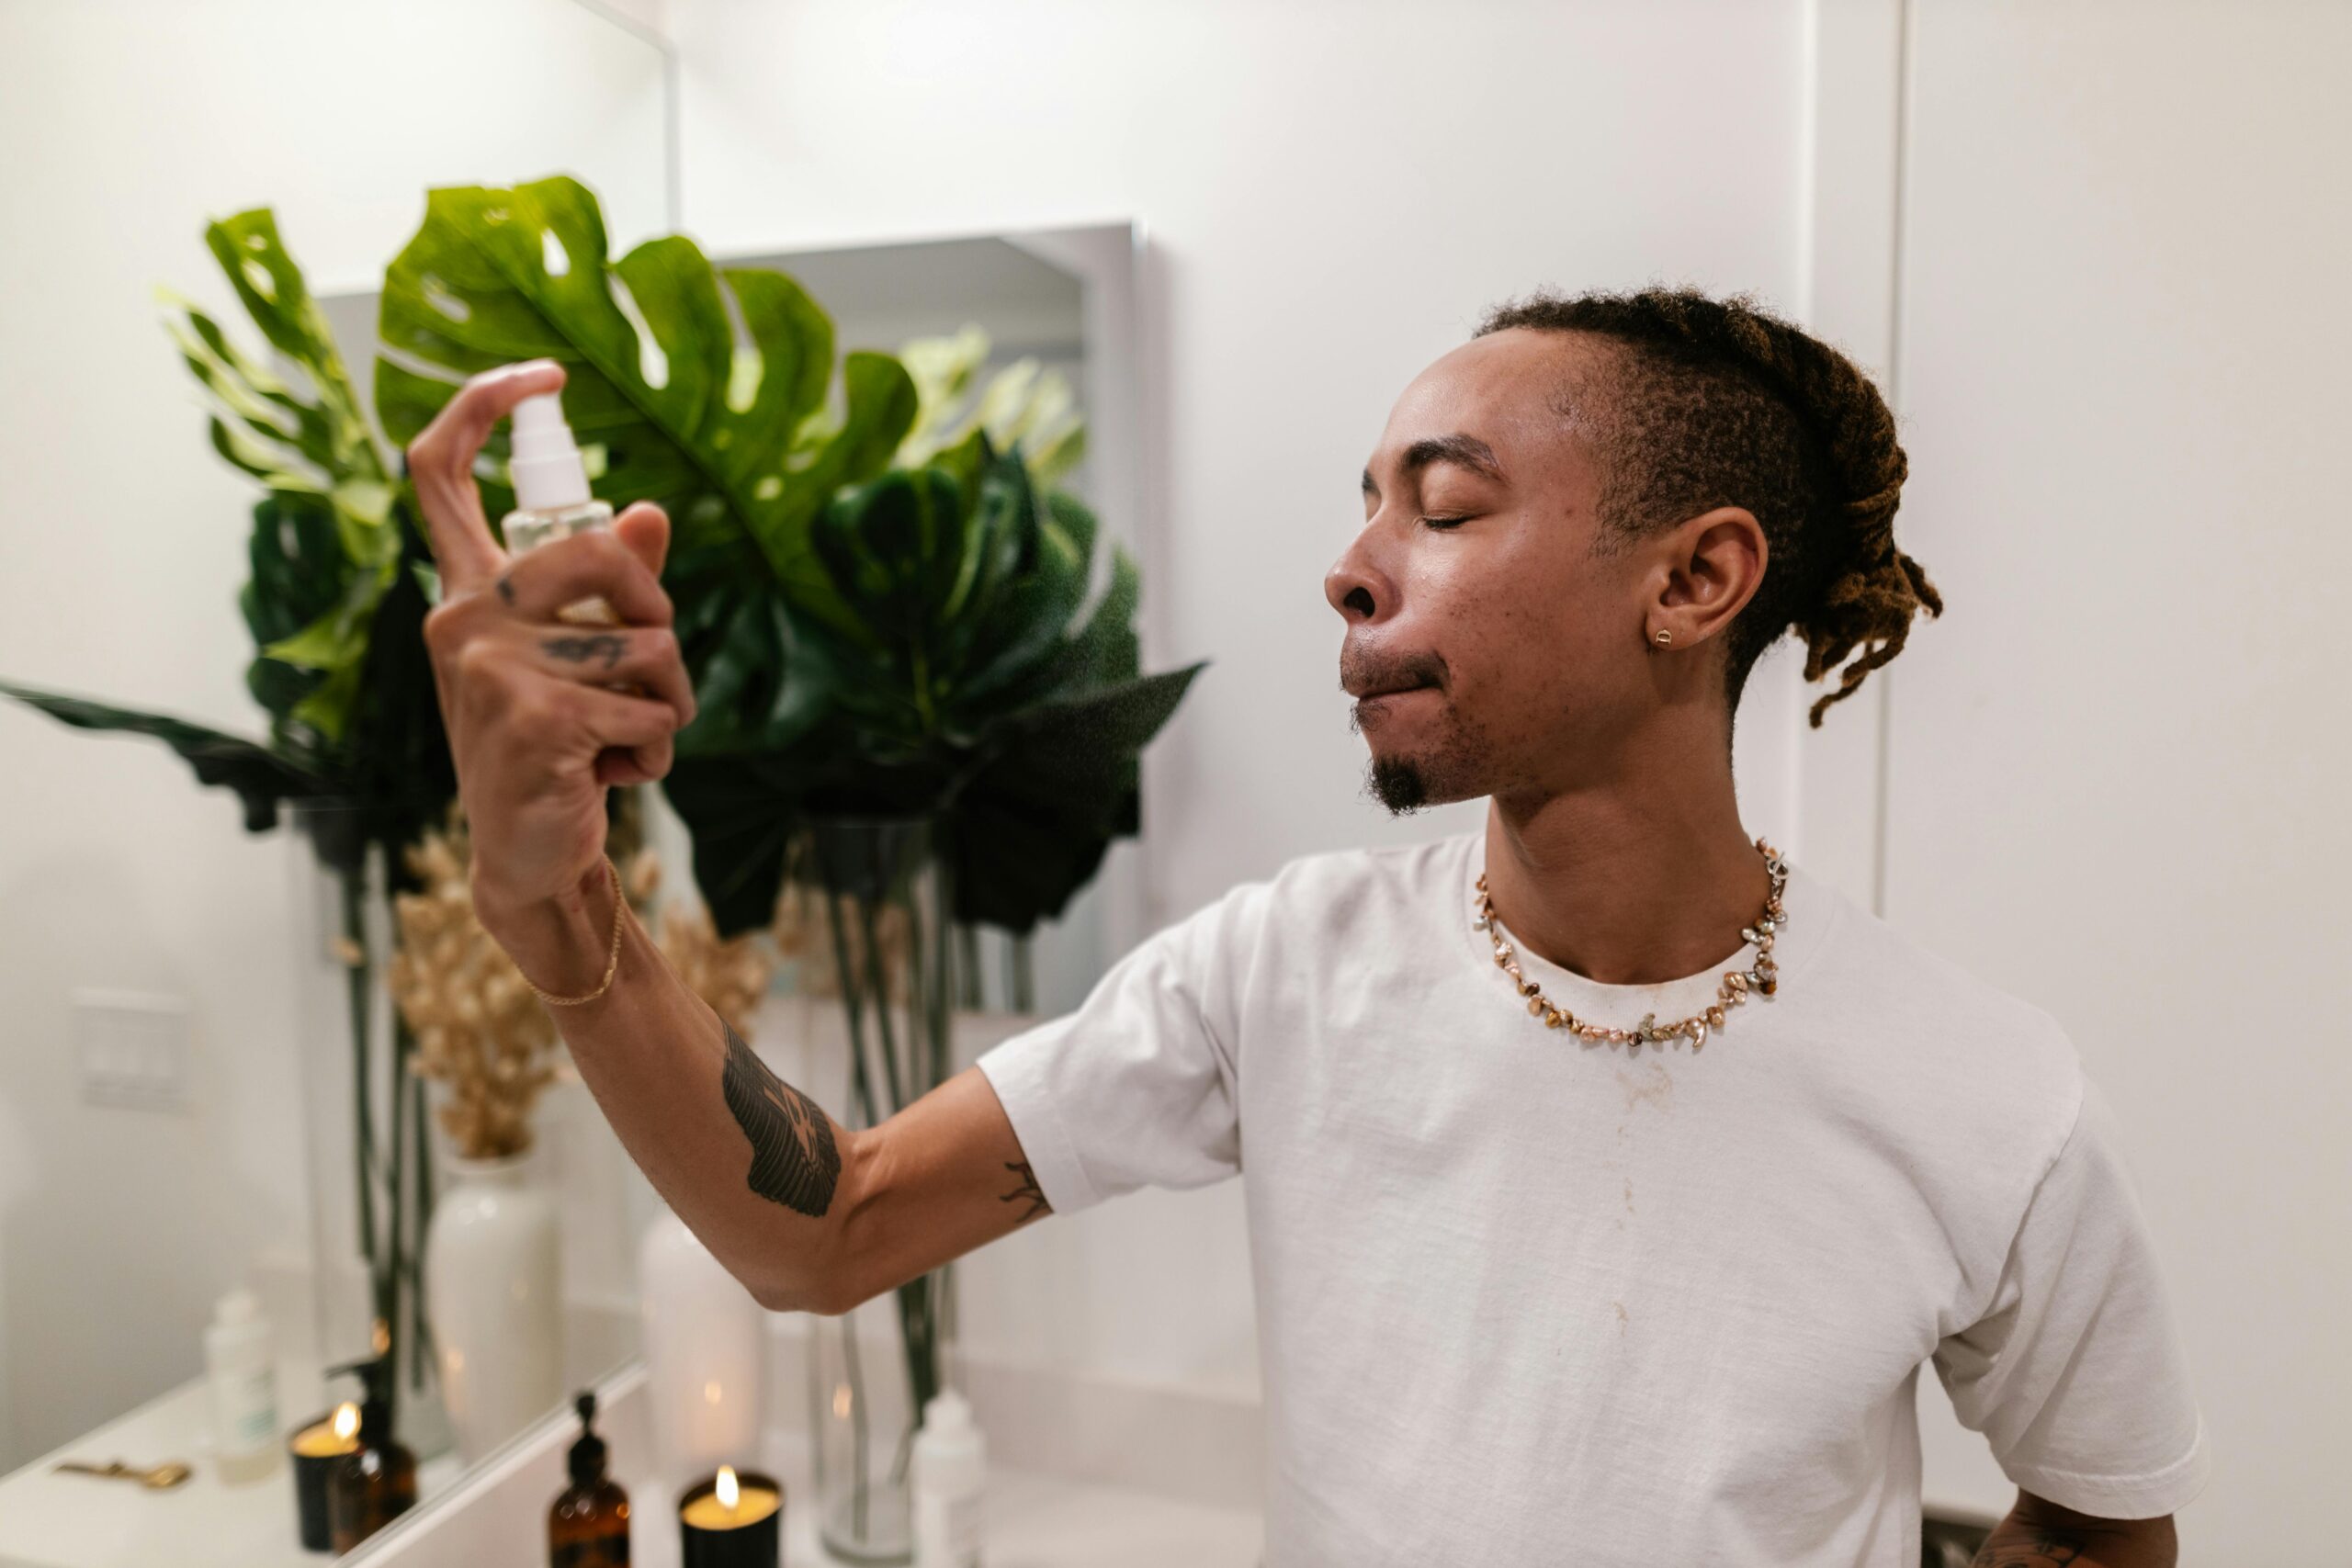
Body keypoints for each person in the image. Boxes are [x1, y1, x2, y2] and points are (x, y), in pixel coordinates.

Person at [409, 286, 2210, 1566]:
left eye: (1439, 503)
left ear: (1693, 578)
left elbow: (2099, 1511)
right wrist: (554, 890)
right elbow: (826, 1228)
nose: (1354, 562)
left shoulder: (1980, 1098)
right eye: (1362, 504)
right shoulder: (1275, 974)